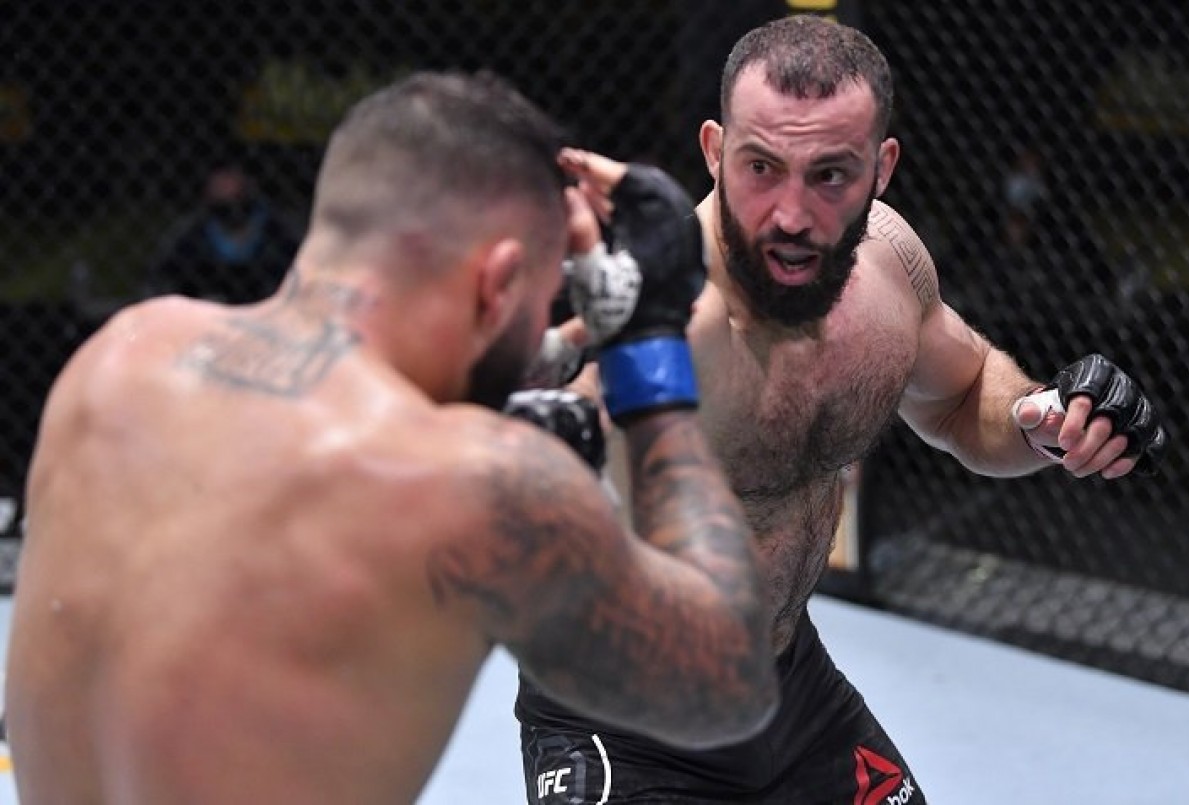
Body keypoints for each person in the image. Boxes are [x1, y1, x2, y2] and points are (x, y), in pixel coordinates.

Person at [3, 70, 780, 805]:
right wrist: (647, 350)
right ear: (497, 284)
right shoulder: (472, 486)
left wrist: (561, 345)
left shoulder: (119, 359)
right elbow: (730, 678)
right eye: (540, 301)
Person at [516, 15, 1167, 804]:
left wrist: (1044, 416)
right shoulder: (670, 312)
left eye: (830, 175)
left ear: (880, 168)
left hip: (790, 693)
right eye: (762, 168)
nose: (792, 213)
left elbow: (963, 396)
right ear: (715, 151)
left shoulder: (888, 268)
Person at [144, 160, 302, 304]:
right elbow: (160, 276)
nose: (225, 186)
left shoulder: (279, 228)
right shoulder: (191, 231)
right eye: (219, 179)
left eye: (230, 176)